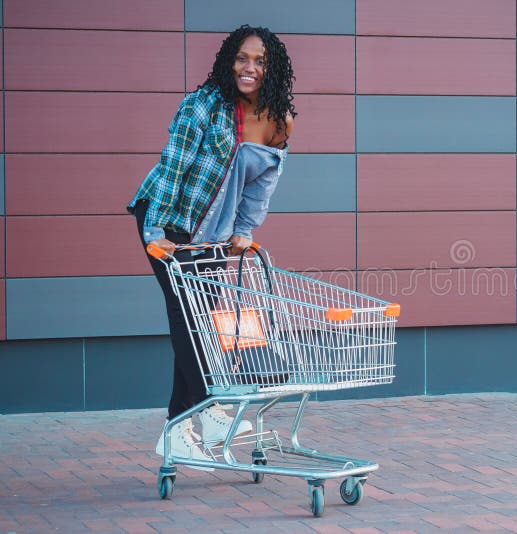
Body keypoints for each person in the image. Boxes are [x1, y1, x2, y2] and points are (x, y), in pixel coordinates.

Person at [128, 25, 296, 466]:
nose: (250, 68)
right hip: (169, 221)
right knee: (189, 320)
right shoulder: (203, 106)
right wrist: (155, 233)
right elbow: (172, 167)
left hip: (212, 235)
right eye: (243, 58)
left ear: (272, 69)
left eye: (260, 61)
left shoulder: (279, 120)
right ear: (229, 60)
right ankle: (213, 408)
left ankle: (178, 431)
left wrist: (246, 229)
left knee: (199, 323)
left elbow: (262, 184)